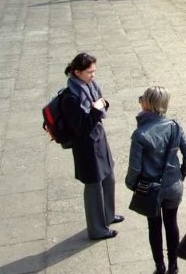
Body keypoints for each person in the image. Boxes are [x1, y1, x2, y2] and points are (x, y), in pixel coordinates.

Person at [125, 86, 186, 274]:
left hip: (151, 188)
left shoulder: (140, 134)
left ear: (147, 104)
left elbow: (135, 168)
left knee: (154, 227)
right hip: (173, 186)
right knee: (171, 224)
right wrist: (180, 175)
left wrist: (132, 185)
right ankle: (174, 266)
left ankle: (160, 266)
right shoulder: (175, 126)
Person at [61, 52, 124, 240]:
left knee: (109, 177)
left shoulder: (90, 86)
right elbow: (81, 126)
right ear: (77, 72)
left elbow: (99, 106)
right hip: (86, 148)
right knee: (94, 187)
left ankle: (108, 215)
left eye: (94, 71)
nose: (93, 75)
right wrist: (97, 109)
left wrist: (102, 104)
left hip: (98, 140)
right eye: (89, 72)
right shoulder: (70, 98)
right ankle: (97, 229)